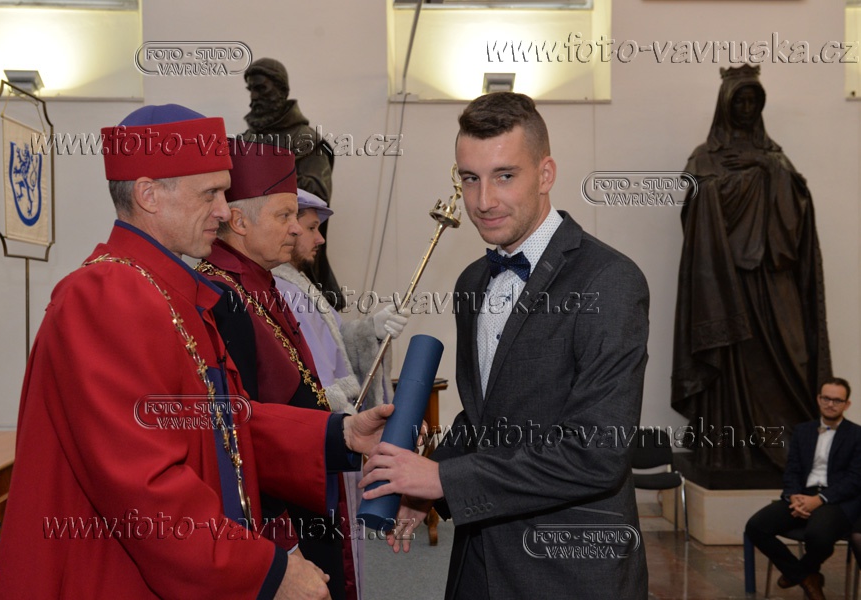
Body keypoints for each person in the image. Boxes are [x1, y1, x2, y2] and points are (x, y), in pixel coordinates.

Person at [0, 104, 393, 600]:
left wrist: (339, 434)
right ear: (148, 195)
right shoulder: (103, 297)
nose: (225, 211)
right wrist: (267, 571)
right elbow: (145, 488)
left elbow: (222, 425)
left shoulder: (170, 290)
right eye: (211, 194)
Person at [358, 92, 650, 599]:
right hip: (478, 562)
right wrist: (425, 486)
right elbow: (483, 416)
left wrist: (445, 481)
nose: (483, 200)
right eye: (470, 178)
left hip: (569, 572)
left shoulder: (610, 280)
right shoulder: (472, 281)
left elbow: (597, 454)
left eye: (505, 176)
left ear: (545, 174)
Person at [197, 140, 408, 600]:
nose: (296, 229)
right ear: (239, 221)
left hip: (306, 478)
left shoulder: (263, 283)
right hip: (278, 508)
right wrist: (281, 542)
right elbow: (238, 435)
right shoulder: (223, 296)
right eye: (285, 216)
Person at [672, 64, 831, 476]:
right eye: (738, 101)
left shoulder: (776, 157)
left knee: (792, 358)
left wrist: (766, 168)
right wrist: (728, 184)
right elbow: (694, 208)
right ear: (725, 105)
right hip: (726, 283)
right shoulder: (704, 156)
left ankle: (790, 449)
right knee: (730, 360)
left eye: (752, 101)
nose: (745, 108)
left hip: (773, 279)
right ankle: (729, 450)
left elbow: (799, 213)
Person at [272, 189, 410, 597]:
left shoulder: (297, 283)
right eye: (311, 227)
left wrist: (371, 330)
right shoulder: (274, 288)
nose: (319, 238)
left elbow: (335, 348)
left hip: (336, 432)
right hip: (319, 438)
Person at [745, 378, 861, 600]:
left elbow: (855, 480)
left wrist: (820, 499)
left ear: (847, 404)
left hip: (835, 500)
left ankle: (800, 572)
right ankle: (806, 576)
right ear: (818, 399)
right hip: (802, 495)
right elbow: (792, 469)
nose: (830, 404)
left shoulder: (857, 435)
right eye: (826, 398)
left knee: (818, 536)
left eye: (837, 400)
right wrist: (793, 496)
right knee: (756, 527)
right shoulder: (802, 430)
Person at [243, 57, 344, 311]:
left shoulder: (305, 140)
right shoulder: (245, 140)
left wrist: (266, 181)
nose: (254, 97)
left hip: (293, 256)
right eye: (251, 89)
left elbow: (316, 195)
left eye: (261, 88)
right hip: (250, 258)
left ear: (281, 90)